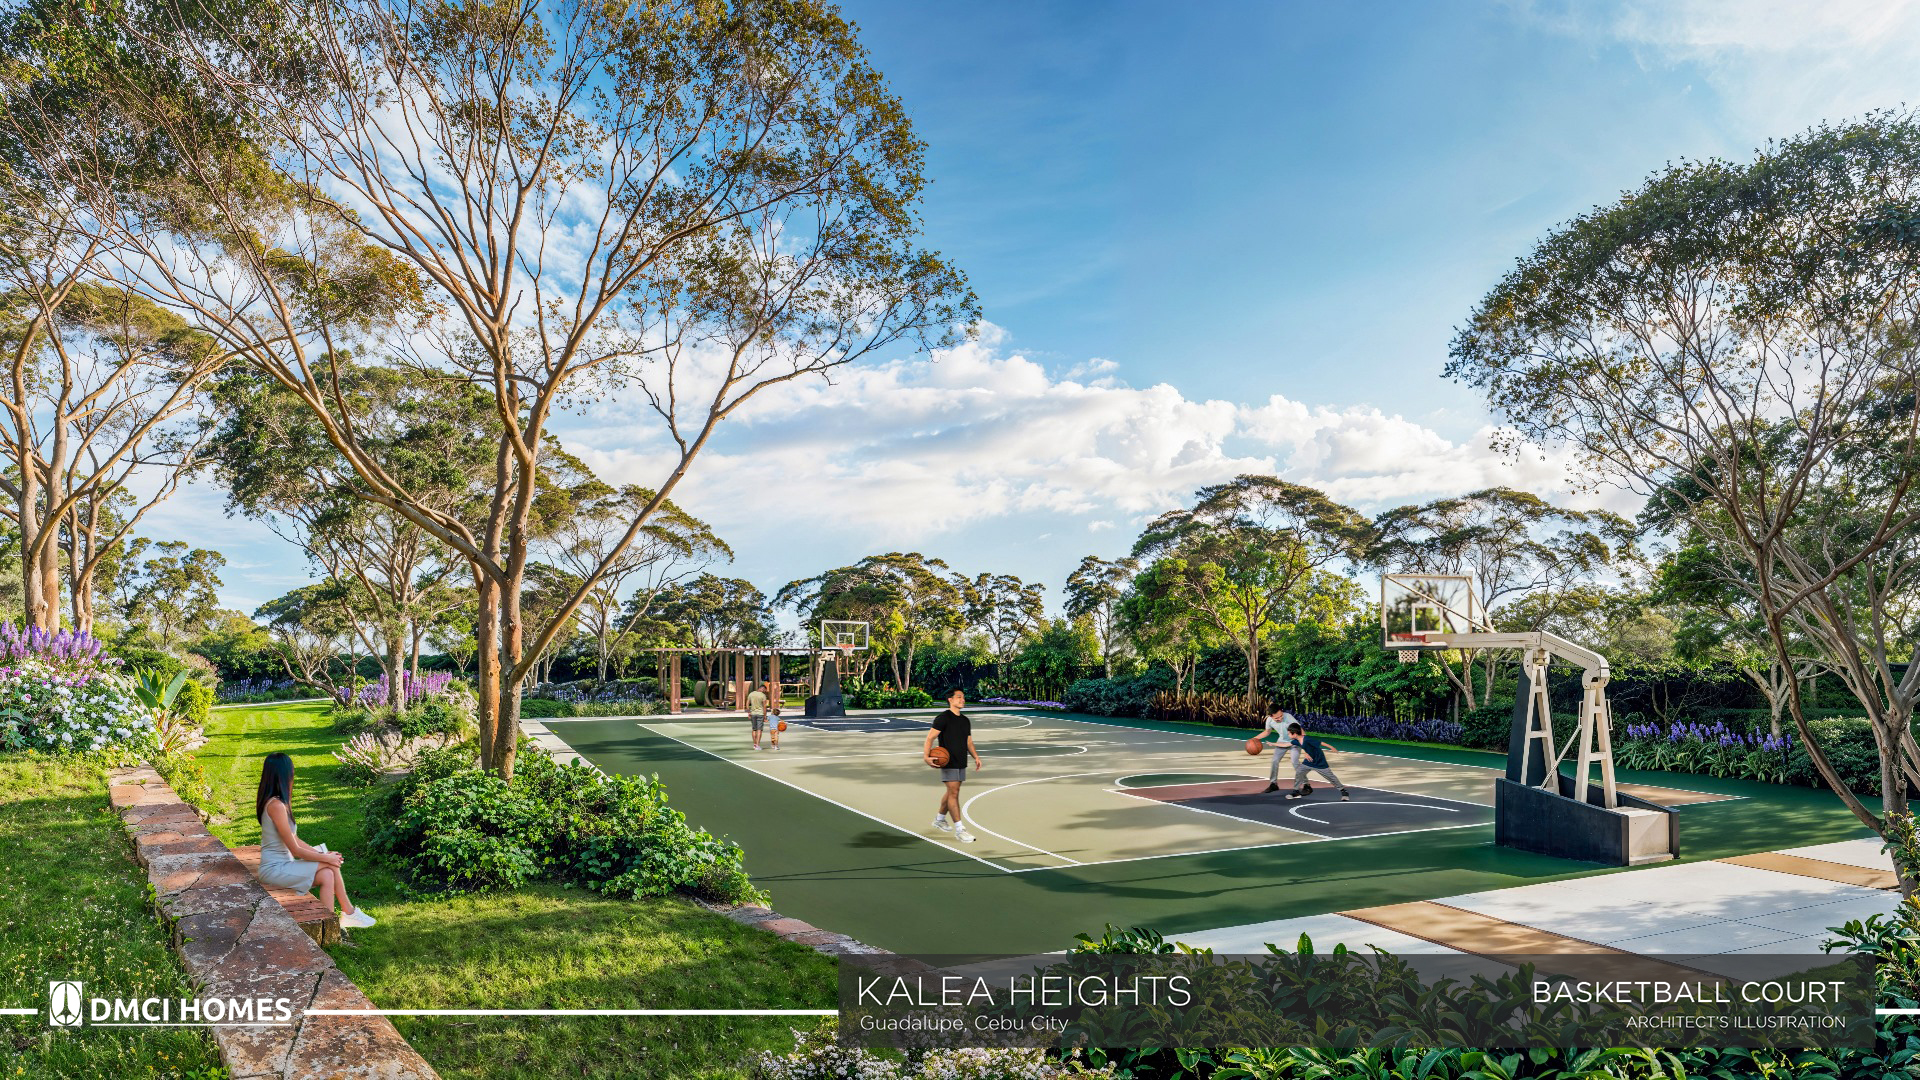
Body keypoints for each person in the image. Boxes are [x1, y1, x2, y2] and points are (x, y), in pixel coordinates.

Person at [256, 752, 376, 928]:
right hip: (273, 869)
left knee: (327, 875)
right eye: (291, 771)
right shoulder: (276, 806)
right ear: (283, 774)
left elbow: (295, 839)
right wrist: (326, 858)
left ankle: (331, 925)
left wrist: (323, 853)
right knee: (330, 865)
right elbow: (295, 850)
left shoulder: (279, 803)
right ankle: (349, 912)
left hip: (283, 865)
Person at [924, 688, 983, 843]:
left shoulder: (965, 720)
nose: (962, 700)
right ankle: (960, 830)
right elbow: (930, 738)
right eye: (959, 697)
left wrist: (976, 757)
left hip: (961, 760)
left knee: (952, 792)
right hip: (948, 761)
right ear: (950, 699)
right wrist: (926, 756)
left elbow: (969, 742)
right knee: (954, 793)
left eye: (963, 697)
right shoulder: (943, 718)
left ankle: (939, 819)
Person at [1283, 721, 1349, 801]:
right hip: (1309, 761)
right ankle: (1296, 792)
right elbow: (1286, 744)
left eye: (1289, 733)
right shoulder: (1296, 741)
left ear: (1294, 733)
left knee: (1331, 777)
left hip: (1319, 762)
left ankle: (1343, 791)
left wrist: (1331, 747)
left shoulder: (1307, 739)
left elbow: (1320, 743)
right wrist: (1273, 744)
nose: (1288, 735)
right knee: (1299, 772)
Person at [1257, 705, 1305, 794]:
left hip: (1294, 741)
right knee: (1274, 761)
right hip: (1282, 741)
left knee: (1295, 762)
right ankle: (1273, 784)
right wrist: (1255, 739)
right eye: (1277, 718)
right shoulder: (1269, 720)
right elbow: (1267, 732)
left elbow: (1301, 731)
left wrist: (1305, 744)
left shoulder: (1288, 717)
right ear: (1271, 716)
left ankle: (1307, 785)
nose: (1280, 718)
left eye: (1281, 716)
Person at [747, 681, 777, 750]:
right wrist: (765, 716)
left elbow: (747, 703)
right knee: (759, 730)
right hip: (760, 714)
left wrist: (749, 712)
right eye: (765, 690)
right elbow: (764, 706)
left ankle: (755, 744)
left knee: (754, 729)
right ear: (763, 689)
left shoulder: (751, 694)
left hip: (753, 714)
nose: (765, 692)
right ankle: (757, 745)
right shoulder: (763, 696)